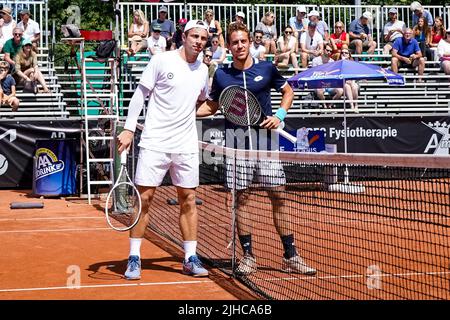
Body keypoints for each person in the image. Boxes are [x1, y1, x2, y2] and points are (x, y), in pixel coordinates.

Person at [197, 22, 317, 276]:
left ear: (250, 42)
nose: (239, 46)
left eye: (243, 41)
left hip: (265, 142)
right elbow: (212, 106)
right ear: (228, 46)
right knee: (241, 199)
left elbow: (287, 91)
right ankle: (248, 256)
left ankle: (291, 255)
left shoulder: (266, 68)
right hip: (237, 144)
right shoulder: (221, 74)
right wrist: (181, 113)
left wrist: (281, 114)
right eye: (234, 42)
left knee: (279, 197)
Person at [117, 20, 211, 280]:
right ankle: (134, 257)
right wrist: (129, 128)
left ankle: (190, 258)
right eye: (194, 36)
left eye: (203, 38)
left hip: (186, 144)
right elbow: (140, 95)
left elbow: (201, 103)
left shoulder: (203, 70)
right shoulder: (161, 60)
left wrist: (221, 108)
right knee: (144, 199)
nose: (198, 41)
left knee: (188, 200)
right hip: (155, 142)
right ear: (184, 36)